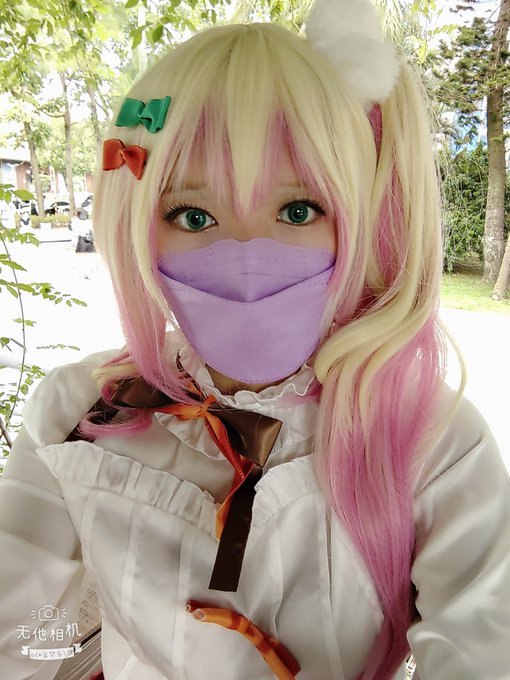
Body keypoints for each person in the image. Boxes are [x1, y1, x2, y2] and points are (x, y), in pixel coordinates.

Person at [1, 0, 509, 679]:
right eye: (192, 214)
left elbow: (484, 646)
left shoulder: (432, 439)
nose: (246, 255)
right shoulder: (75, 416)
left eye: (298, 209)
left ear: (357, 220)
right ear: (138, 224)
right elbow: (18, 633)